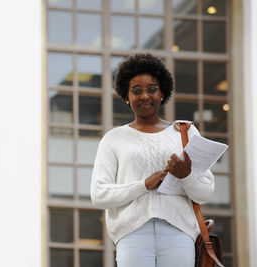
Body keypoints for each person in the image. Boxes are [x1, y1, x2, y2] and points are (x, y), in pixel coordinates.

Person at [90, 53, 215, 267]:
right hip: (132, 235)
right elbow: (99, 195)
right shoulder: (114, 138)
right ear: (126, 97)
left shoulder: (185, 132)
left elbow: (204, 193)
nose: (145, 96)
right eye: (136, 91)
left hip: (179, 233)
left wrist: (186, 175)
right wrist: (144, 185)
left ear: (162, 92)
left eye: (151, 89)